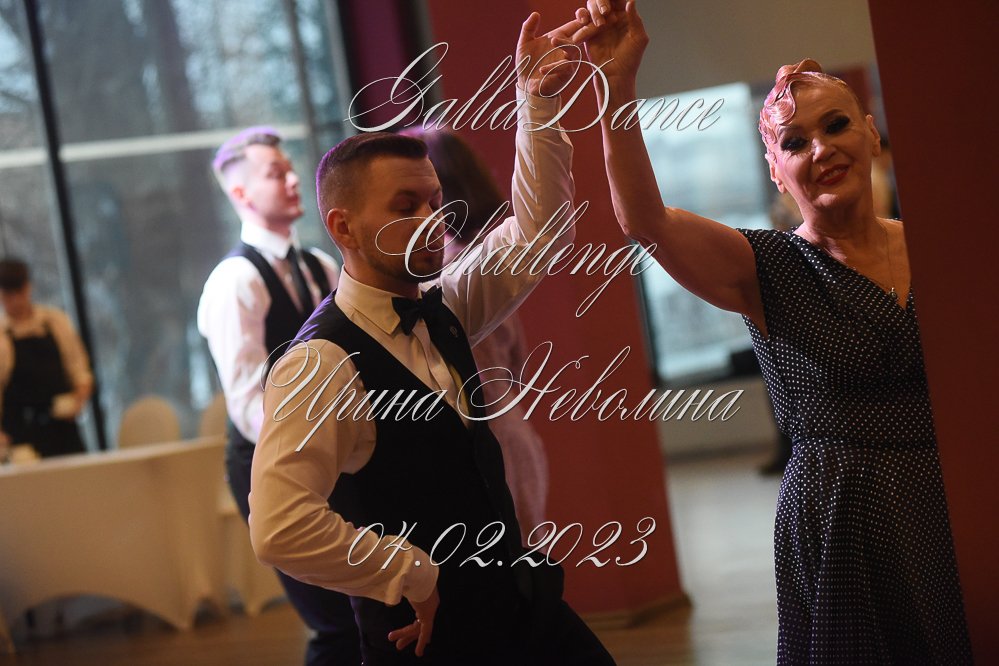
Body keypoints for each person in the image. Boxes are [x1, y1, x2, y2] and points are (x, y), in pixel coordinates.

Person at [552, 2, 972, 663]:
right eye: (795, 143)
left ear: (870, 134)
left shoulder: (940, 245)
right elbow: (644, 221)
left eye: (835, 125)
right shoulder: (766, 266)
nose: (821, 149)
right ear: (776, 169)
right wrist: (616, 84)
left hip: (955, 499)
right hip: (842, 520)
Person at [249, 13, 616, 665]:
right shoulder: (319, 362)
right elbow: (278, 526)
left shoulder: (444, 307)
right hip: (427, 635)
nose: (430, 221)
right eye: (404, 207)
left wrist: (536, 102)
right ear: (343, 227)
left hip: (518, 605)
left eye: (433, 201)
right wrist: (407, 571)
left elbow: (539, 236)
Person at [197, 127, 361, 665]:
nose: (294, 180)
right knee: (333, 623)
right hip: (270, 462)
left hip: (330, 455)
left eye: (291, 169)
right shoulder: (235, 280)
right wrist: (308, 453)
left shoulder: (319, 264)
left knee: (364, 613)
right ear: (241, 193)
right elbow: (248, 401)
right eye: (276, 173)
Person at [404, 127, 550, 541]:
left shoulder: (451, 274)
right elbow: (517, 364)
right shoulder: (480, 258)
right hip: (511, 432)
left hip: (491, 444)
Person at [0, 258, 92, 458]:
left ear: (28, 287)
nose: (15, 301)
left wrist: (78, 400)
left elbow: (80, 371)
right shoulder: (2, 337)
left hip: (64, 433)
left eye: (19, 292)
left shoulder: (55, 321)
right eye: (8, 295)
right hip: (22, 438)